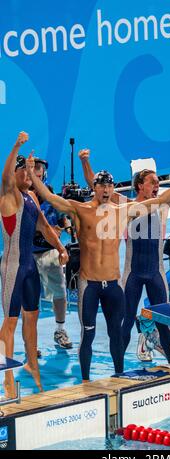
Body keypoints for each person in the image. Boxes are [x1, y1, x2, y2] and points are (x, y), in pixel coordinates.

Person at [28, 146, 170, 381]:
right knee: (88, 334)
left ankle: (119, 376)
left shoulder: (123, 211)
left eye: (109, 186)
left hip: (113, 285)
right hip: (90, 284)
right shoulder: (81, 210)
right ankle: (86, 381)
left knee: (116, 333)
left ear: (113, 188)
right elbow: (50, 197)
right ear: (94, 188)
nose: (106, 190)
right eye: (101, 186)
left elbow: (163, 199)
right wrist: (33, 175)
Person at [79, 146, 170, 364]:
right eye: (153, 182)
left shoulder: (162, 204)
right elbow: (92, 184)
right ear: (140, 186)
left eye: (158, 182)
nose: (157, 185)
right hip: (131, 274)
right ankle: (119, 370)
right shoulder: (125, 205)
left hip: (155, 274)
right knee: (124, 323)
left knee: (164, 321)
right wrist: (85, 161)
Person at [0, 132, 69, 397]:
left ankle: (31, 364)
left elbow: (44, 225)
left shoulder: (32, 197)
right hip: (12, 268)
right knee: (10, 322)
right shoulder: (8, 194)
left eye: (31, 173)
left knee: (33, 317)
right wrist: (16, 145)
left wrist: (61, 248)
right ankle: (7, 378)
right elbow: (5, 175)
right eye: (24, 172)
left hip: (30, 267)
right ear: (15, 174)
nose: (29, 176)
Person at [31, 158, 72, 349]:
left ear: (44, 173)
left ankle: (60, 330)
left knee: (60, 291)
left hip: (49, 252)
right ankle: (31, 340)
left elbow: (63, 220)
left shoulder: (51, 195)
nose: (36, 171)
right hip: (27, 254)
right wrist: (45, 231)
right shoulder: (21, 194)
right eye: (33, 168)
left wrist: (67, 228)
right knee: (30, 297)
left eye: (39, 168)